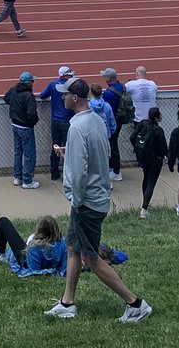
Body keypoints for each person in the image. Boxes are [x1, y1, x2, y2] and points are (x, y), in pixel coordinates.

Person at [45, 76, 152, 323]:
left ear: (74, 98)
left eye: (65, 94)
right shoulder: (95, 120)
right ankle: (67, 302)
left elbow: (79, 172)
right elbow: (94, 155)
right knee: (72, 247)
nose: (62, 97)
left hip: (87, 202)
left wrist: (76, 199)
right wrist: (70, 154)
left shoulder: (76, 127)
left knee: (91, 258)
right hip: (95, 197)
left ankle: (135, 304)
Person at [0, 214, 66, 276]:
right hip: (44, 258)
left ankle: (1, 255)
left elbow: (34, 269)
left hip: (26, 261)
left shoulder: (34, 247)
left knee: (3, 221)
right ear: (56, 229)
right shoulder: (63, 244)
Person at [36, 67, 74, 182]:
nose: (71, 76)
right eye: (69, 74)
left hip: (55, 121)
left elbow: (42, 95)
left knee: (56, 146)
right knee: (69, 148)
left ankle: (54, 172)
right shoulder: (71, 85)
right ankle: (68, 173)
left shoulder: (53, 84)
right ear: (65, 75)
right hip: (67, 121)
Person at [4, 71, 39, 189]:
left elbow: (6, 98)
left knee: (18, 152)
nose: (33, 83)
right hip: (25, 127)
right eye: (32, 81)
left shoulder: (13, 90)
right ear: (29, 82)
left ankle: (17, 177)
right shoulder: (29, 95)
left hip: (15, 125)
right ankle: (27, 180)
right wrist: (32, 122)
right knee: (29, 154)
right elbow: (32, 113)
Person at [130, 106, 167, 218]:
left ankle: (145, 202)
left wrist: (137, 148)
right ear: (157, 117)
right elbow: (164, 147)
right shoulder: (158, 130)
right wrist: (165, 156)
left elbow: (132, 137)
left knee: (146, 178)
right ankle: (144, 209)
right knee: (151, 182)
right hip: (155, 159)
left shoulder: (142, 124)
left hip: (143, 158)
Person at [99, 68, 126, 181]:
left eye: (105, 76)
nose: (103, 78)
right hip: (120, 118)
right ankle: (112, 167)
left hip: (113, 121)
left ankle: (116, 171)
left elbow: (105, 108)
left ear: (109, 78)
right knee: (113, 143)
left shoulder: (109, 93)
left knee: (113, 145)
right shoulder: (122, 87)